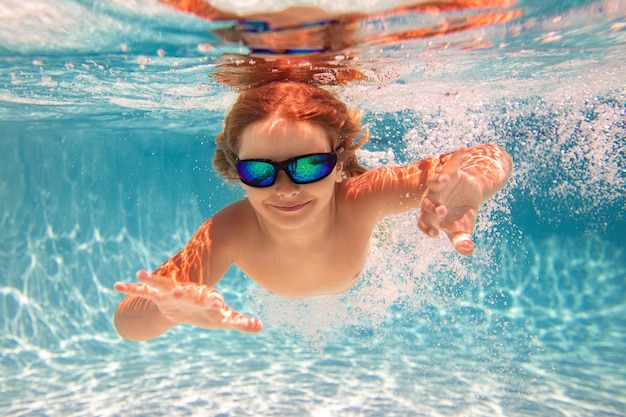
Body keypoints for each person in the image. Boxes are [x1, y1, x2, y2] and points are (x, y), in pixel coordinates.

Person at [113, 81, 513, 341]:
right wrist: (166, 311)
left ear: (339, 164)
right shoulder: (228, 231)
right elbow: (127, 320)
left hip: (372, 248)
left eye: (309, 166)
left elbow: (490, 154)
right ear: (238, 173)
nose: (286, 189)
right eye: (259, 171)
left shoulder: (363, 196)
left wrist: (474, 183)